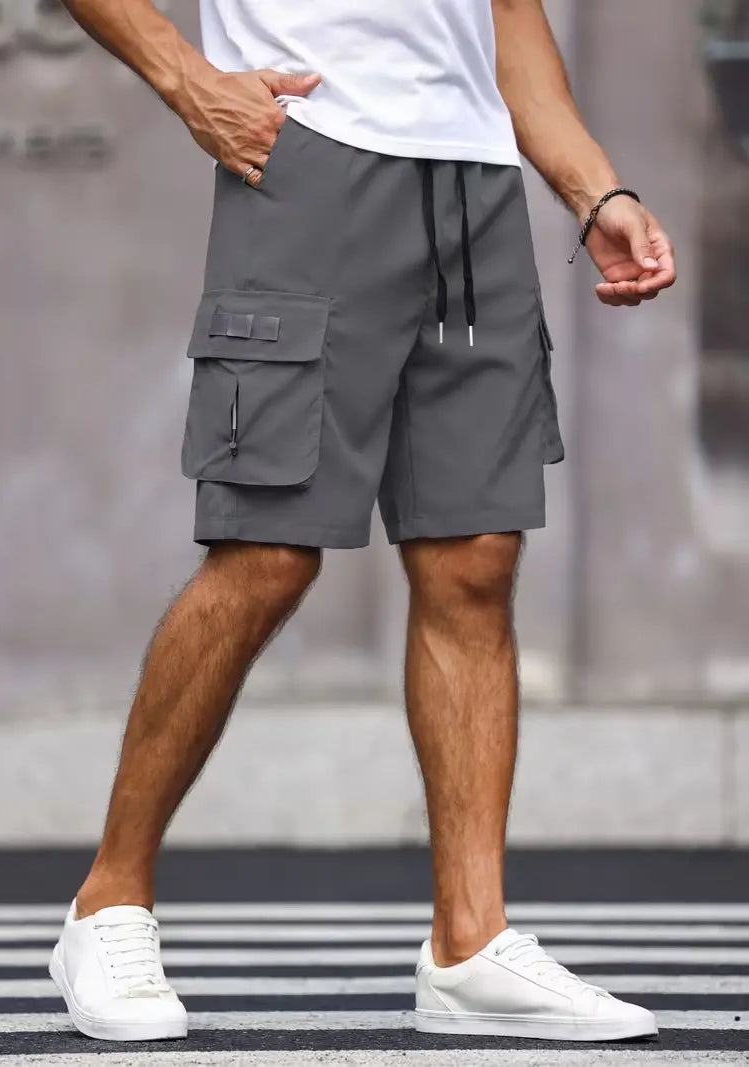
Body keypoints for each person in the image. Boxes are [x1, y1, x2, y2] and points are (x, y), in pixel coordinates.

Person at [51, 0, 676, 1044]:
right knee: (266, 552)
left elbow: (507, 19)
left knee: (474, 554)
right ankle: (108, 901)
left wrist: (593, 187)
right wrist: (187, 80)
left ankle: (469, 943)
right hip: (309, 159)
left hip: (474, 179)